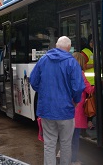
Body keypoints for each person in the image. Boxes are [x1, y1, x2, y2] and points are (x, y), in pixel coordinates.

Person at [30, 36, 85, 165]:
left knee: (49, 144)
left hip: (47, 110)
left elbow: (33, 81)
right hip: (66, 110)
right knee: (66, 144)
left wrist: (44, 93)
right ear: (69, 48)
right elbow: (78, 87)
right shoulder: (72, 63)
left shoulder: (43, 60)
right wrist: (75, 101)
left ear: (56, 45)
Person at [71, 52, 95, 165]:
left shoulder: (67, 73)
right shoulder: (80, 74)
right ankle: (74, 160)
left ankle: (62, 153)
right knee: (75, 137)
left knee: (67, 135)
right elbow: (89, 90)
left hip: (66, 110)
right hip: (77, 109)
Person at [81, 35, 95, 129]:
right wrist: (95, 64)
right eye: (91, 42)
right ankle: (89, 122)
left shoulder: (98, 50)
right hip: (89, 83)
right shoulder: (85, 52)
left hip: (98, 82)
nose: (93, 44)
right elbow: (83, 66)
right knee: (89, 104)